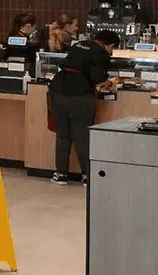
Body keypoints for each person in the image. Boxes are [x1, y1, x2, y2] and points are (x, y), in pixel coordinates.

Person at [48, 29, 120, 186]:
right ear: (110, 45)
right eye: (112, 48)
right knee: (82, 135)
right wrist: (109, 83)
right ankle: (87, 175)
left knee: (62, 135)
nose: (111, 52)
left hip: (58, 92)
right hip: (80, 96)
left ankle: (60, 174)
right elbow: (98, 77)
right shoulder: (101, 53)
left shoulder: (79, 45)